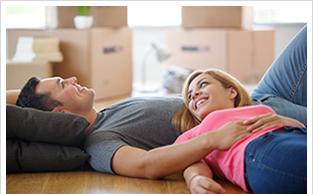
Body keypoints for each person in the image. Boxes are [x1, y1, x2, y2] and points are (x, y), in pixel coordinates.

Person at [8, 25, 307, 183]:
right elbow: (146, 165)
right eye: (62, 85)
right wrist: (213, 138)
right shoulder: (99, 144)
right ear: (59, 114)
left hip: (258, 96)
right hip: (264, 123)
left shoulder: (106, 113)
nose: (72, 78)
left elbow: (13, 101)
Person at [173, 68, 307, 194]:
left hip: (299, 134)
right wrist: (195, 179)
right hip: (262, 148)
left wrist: (294, 123)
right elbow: (187, 160)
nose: (194, 94)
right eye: (190, 96)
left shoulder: (258, 108)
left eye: (203, 84)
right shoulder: (196, 133)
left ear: (232, 92)